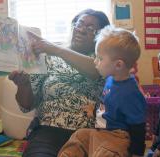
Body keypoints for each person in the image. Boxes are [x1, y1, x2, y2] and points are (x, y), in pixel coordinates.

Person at [9, 9, 110, 157]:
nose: (81, 30)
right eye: (80, 23)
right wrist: (23, 85)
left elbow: (96, 71)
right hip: (49, 130)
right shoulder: (48, 58)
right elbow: (26, 105)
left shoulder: (103, 59)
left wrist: (57, 49)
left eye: (90, 28)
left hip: (88, 133)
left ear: (99, 35)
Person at [58, 26, 147, 157]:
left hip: (118, 137)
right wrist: (94, 111)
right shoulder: (110, 79)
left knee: (105, 153)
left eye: (100, 58)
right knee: (79, 135)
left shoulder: (130, 93)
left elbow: (138, 126)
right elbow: (108, 105)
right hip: (102, 132)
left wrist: (136, 153)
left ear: (118, 65)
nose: (95, 61)